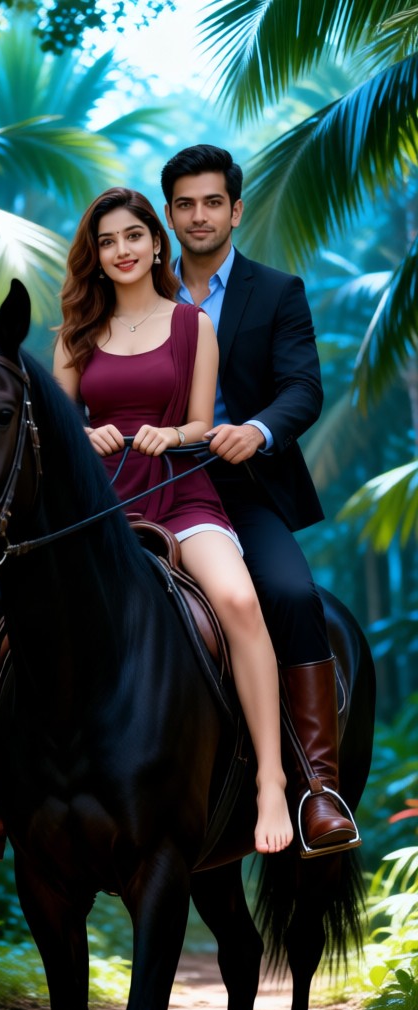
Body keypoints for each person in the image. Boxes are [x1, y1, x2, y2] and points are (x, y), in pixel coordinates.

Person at [52, 186, 293, 855]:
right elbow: (56, 423)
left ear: (157, 243)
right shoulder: (74, 334)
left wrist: (169, 432)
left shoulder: (193, 325)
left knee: (241, 600)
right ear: (94, 257)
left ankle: (271, 780)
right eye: (106, 242)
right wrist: (86, 433)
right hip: (94, 511)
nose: (121, 250)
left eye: (133, 236)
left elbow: (200, 421)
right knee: (7, 613)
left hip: (180, 496)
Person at [159, 143, 360, 856]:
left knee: (294, 595)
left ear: (235, 209)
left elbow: (304, 387)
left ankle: (316, 789)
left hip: (242, 489)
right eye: (185, 203)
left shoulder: (278, 292)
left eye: (213, 201)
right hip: (141, 491)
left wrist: (259, 429)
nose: (199, 215)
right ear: (169, 213)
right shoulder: (138, 286)